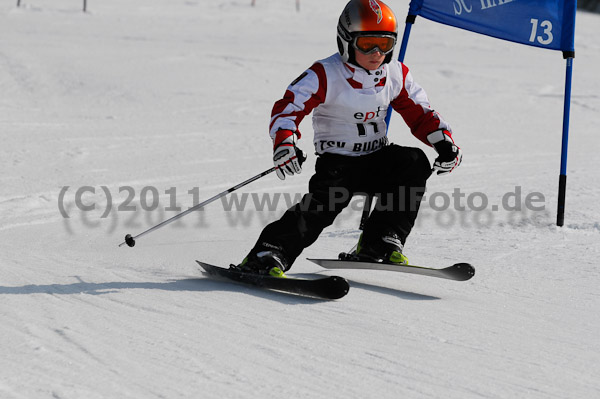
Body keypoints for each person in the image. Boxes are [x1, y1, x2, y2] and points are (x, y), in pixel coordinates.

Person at [235, 0, 462, 277]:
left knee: (412, 161)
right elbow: (289, 107)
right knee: (320, 209)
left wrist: (443, 143)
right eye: (367, 44)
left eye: (385, 43)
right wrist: (285, 142)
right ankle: (269, 253)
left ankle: (380, 242)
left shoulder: (396, 74)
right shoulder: (326, 73)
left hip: (377, 157)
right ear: (346, 40)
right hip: (338, 164)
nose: (377, 53)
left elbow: (421, 113)